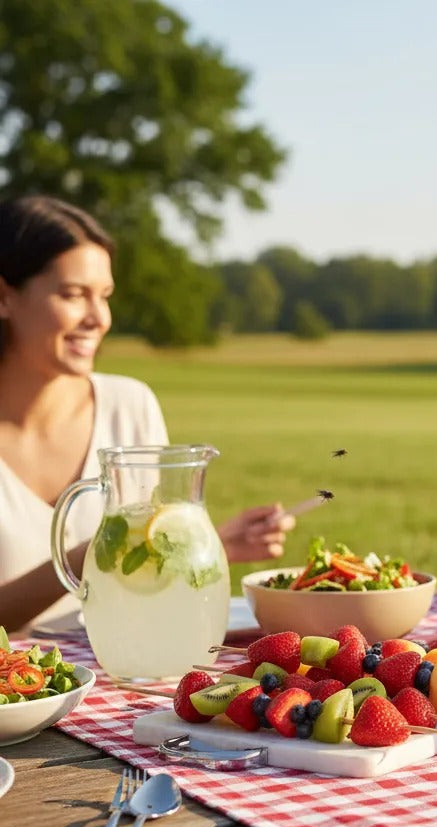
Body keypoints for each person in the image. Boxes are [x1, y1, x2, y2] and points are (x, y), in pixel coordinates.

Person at [0, 194, 295, 632]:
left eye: (104, 296)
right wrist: (93, 553)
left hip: (113, 669)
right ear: (5, 297)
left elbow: (145, 578)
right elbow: (116, 553)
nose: (99, 318)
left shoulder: (129, 406)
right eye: (73, 295)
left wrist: (208, 545)